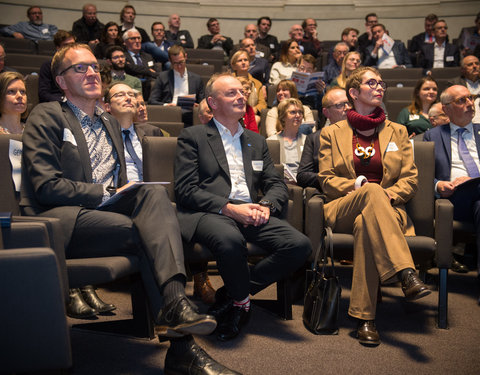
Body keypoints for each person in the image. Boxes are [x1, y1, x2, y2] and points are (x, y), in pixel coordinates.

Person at [20, 42, 239, 375]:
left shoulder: (109, 123)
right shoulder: (46, 115)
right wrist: (108, 192)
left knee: (154, 197)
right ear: (61, 82)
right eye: (79, 68)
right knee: (148, 232)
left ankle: (176, 313)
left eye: (95, 66)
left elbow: (125, 184)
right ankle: (181, 342)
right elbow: (46, 186)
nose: (92, 72)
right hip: (59, 220)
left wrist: (123, 192)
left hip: (108, 218)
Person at [174, 73, 311, 341]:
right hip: (211, 212)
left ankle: (232, 294)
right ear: (212, 102)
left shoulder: (256, 140)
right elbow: (185, 190)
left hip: (252, 209)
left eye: (242, 92)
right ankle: (240, 306)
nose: (241, 96)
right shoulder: (193, 137)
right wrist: (228, 208)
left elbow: (275, 183)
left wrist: (267, 206)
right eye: (231, 93)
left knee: (299, 245)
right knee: (230, 240)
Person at [318, 66, 431, 346]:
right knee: (369, 193)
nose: (380, 87)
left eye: (381, 83)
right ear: (354, 93)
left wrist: (385, 197)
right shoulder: (332, 133)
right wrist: (358, 187)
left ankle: (365, 319)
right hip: (342, 207)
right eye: (372, 83)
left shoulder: (399, 131)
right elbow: (326, 180)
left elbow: (410, 180)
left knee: (366, 223)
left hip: (386, 209)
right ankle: (405, 271)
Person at [423, 85, 480, 292]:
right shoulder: (433, 136)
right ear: (446, 109)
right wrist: (438, 185)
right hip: (454, 199)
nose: (470, 104)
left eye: (471, 98)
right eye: (462, 100)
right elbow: (421, 175)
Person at [104, 83, 165, 182]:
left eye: (131, 95)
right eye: (120, 95)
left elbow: (163, 168)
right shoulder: (102, 136)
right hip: (120, 192)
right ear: (108, 107)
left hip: (153, 190)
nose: (128, 98)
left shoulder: (152, 132)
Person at [297, 87, 351, 189]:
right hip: (327, 192)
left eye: (349, 103)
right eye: (340, 105)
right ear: (326, 112)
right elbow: (302, 176)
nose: (347, 108)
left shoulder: (362, 133)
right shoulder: (314, 139)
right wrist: (331, 179)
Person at [149, 45, 205, 126]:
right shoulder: (163, 77)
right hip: (169, 113)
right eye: (175, 63)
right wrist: (166, 105)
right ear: (170, 61)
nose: (179, 66)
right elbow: (152, 101)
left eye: (181, 62)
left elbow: (203, 102)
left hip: (190, 115)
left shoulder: (197, 79)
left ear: (185, 57)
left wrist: (198, 106)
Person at [267, 98, 306, 182]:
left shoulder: (307, 141)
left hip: (302, 184)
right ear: (283, 116)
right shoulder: (271, 142)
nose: (298, 115)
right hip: (278, 183)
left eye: (300, 112)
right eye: (293, 112)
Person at [38, 30, 75, 103]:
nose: (71, 48)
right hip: (56, 103)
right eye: (66, 45)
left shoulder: (80, 65)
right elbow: (43, 93)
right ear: (58, 48)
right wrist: (64, 100)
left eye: (73, 44)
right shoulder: (48, 65)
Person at [230, 50, 266, 123]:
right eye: (240, 60)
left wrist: (254, 110)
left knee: (256, 119)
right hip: (231, 112)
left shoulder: (257, 83)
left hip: (251, 114)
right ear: (233, 66)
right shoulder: (228, 81)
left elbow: (262, 104)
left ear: (249, 63)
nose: (243, 62)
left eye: (245, 60)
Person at [123, 28, 159, 99]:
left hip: (148, 87)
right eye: (133, 38)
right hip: (130, 87)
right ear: (125, 42)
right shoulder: (123, 56)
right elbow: (130, 69)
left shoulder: (148, 56)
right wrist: (148, 71)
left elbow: (156, 73)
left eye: (139, 38)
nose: (137, 41)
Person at [448, 55, 480, 123]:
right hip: (463, 118)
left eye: (477, 64)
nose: (474, 66)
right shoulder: (453, 84)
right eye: (470, 64)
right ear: (462, 69)